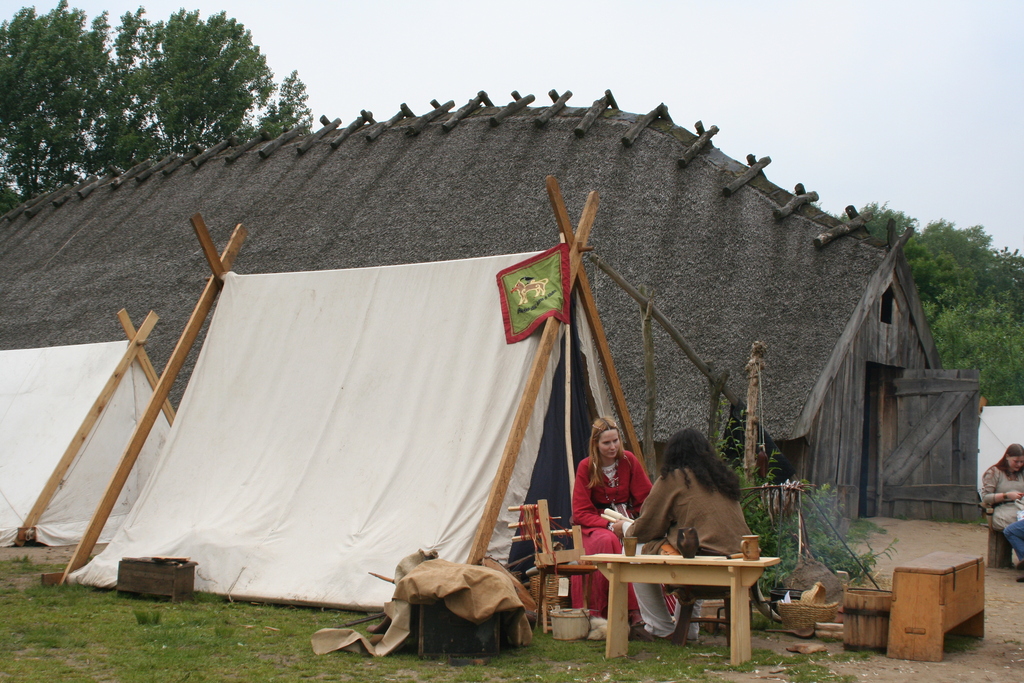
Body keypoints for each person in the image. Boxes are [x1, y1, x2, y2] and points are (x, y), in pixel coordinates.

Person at [622, 427, 751, 640]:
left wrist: (624, 527)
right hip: (737, 559)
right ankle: (688, 630)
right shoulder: (719, 477)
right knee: (694, 547)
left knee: (634, 549)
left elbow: (646, 528)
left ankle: (660, 627)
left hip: (704, 560)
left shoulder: (674, 477)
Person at [570, 416, 652, 622]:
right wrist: (607, 524)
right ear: (595, 444)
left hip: (627, 520)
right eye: (606, 442)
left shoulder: (628, 461)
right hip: (595, 526)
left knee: (643, 540)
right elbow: (580, 511)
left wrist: (645, 523)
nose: (612, 446)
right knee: (608, 540)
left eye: (615, 441)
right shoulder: (586, 467)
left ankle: (650, 611)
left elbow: (646, 498)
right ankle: (626, 611)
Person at [981, 443, 1024, 570]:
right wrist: (1006, 495)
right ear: (1007, 457)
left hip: (1021, 507)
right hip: (1003, 508)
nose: (1019, 465)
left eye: (1022, 461)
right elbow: (985, 497)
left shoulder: (1022, 473)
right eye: (1016, 461)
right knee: (1014, 526)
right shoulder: (994, 472)